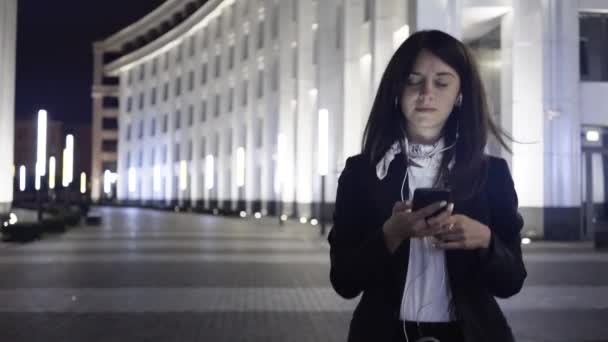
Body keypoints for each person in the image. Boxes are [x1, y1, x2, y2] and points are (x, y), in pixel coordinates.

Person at [328, 30, 527, 342]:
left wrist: (485, 240)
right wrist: (390, 234)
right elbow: (344, 281)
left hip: (472, 333)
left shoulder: (492, 174)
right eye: (413, 80)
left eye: (442, 82)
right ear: (396, 88)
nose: (426, 92)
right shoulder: (362, 173)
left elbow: (512, 281)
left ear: (460, 93)